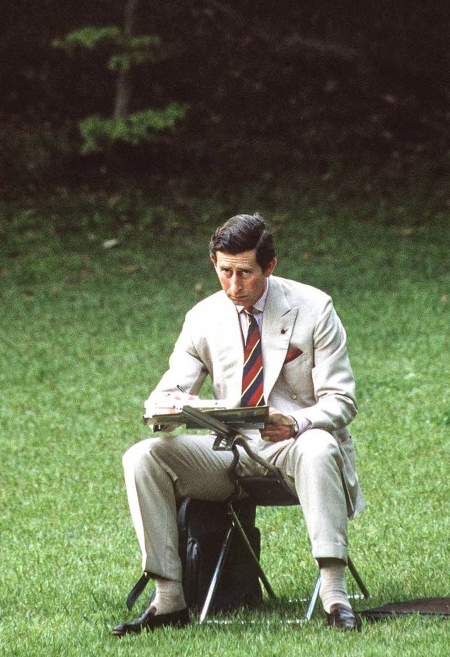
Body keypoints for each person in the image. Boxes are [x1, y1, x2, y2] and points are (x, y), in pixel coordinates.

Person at [113, 212, 365, 635]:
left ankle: (335, 595)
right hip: (230, 452)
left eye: (245, 273)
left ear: (269, 266)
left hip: (297, 449)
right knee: (143, 457)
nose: (233, 286)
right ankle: (169, 598)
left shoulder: (314, 307)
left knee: (320, 444)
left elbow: (342, 400)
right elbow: (168, 391)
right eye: (224, 272)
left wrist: (298, 423)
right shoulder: (203, 317)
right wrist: (169, 410)